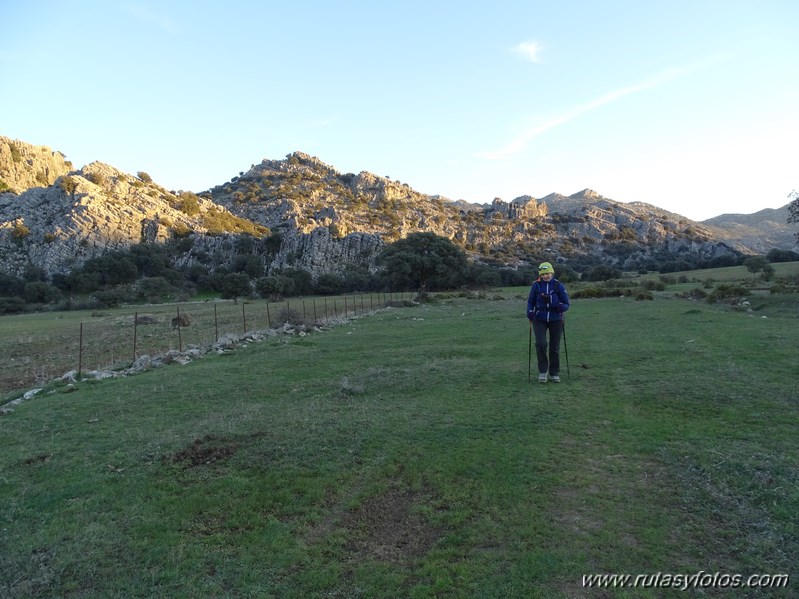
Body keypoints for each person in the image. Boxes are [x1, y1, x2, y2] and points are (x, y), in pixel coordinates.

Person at [527, 262, 570, 383]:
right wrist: (530, 312)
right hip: (539, 318)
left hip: (556, 319)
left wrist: (562, 307)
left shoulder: (558, 286)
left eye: (548, 273)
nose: (546, 276)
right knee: (540, 344)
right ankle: (542, 371)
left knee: (554, 346)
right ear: (540, 275)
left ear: (552, 272)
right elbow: (530, 302)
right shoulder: (536, 286)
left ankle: (554, 373)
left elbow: (566, 303)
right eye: (543, 274)